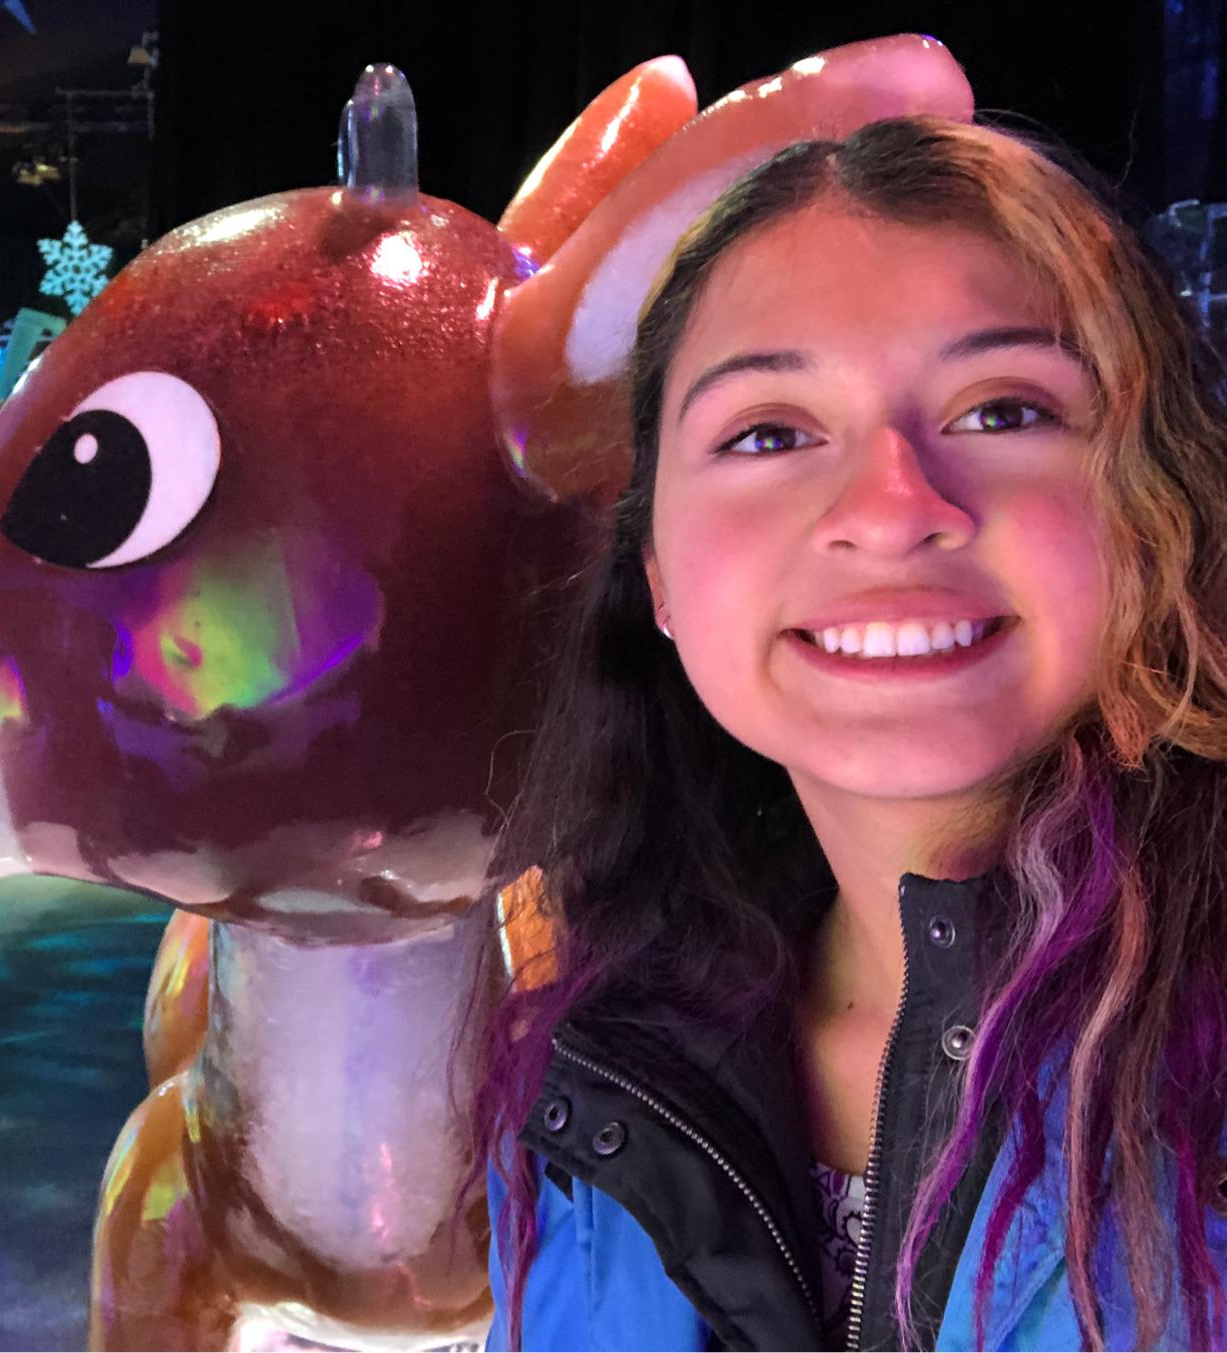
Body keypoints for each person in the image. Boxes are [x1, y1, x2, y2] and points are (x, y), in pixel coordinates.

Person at [478, 116, 1227, 1351]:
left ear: (1164, 503)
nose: (891, 511)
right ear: (656, 571)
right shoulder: (582, 1079)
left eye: (1004, 411)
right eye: (768, 433)